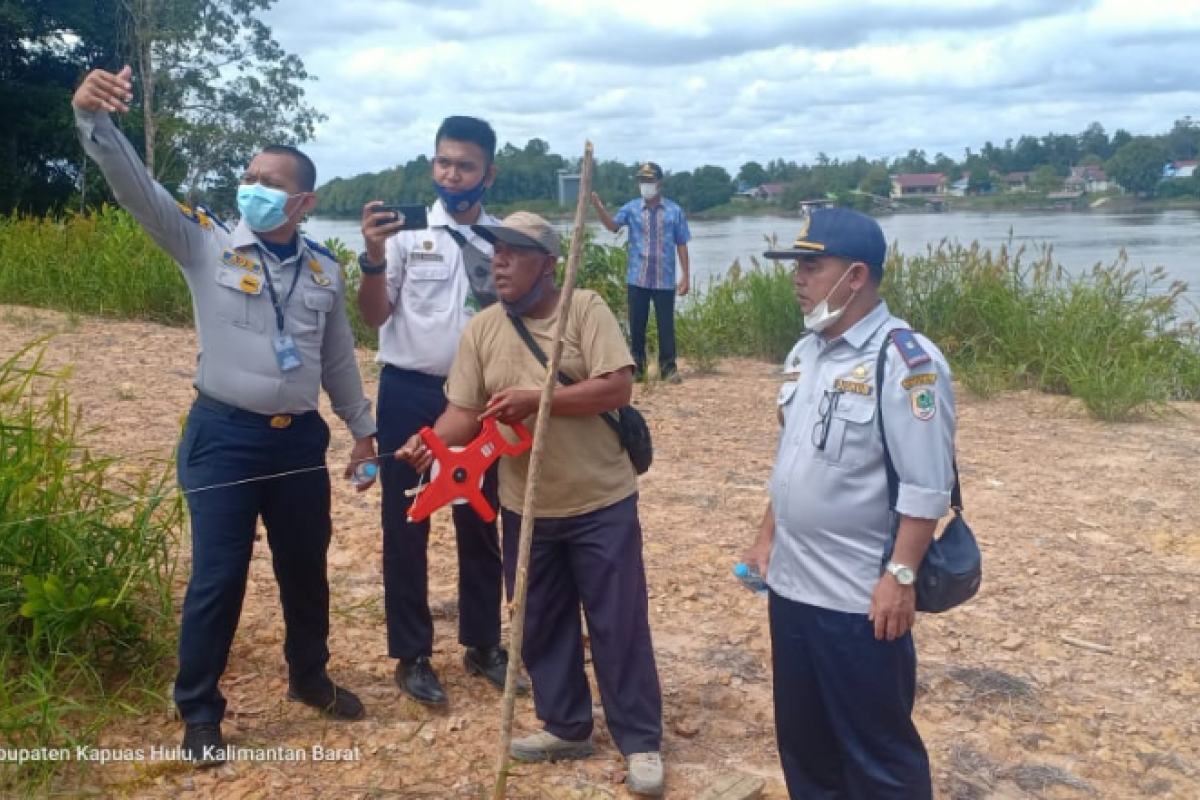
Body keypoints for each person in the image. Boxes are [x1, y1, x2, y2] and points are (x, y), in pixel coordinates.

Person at [72, 68, 378, 763]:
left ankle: (310, 679)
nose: (254, 187)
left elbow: (337, 364)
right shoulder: (204, 242)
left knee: (306, 569)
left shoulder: (326, 271)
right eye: (249, 175)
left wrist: (363, 429)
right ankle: (201, 711)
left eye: (270, 180)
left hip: (299, 444)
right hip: (224, 439)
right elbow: (137, 192)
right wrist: (95, 122)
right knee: (219, 574)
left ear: (302, 200)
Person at [395, 212, 665, 797]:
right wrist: (432, 444)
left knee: (619, 623)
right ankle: (565, 724)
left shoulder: (585, 309)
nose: (500, 261)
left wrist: (536, 398)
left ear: (548, 265)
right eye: (496, 251)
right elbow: (464, 413)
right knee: (540, 620)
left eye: (516, 253)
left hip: (600, 498)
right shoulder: (483, 329)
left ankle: (640, 740)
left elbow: (617, 386)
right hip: (524, 504)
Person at [743, 208, 956, 799]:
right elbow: (792, 457)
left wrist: (901, 576)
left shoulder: (906, 362)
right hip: (791, 589)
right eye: (796, 266)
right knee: (805, 746)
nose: (797, 278)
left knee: (877, 753)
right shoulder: (806, 352)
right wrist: (767, 537)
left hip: (858, 600)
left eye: (811, 265)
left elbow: (926, 486)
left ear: (856, 275)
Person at [357, 116, 520, 706]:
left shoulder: (506, 242)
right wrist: (374, 255)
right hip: (409, 392)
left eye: (466, 166)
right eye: (444, 163)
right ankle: (413, 654)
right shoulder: (404, 234)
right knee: (406, 525)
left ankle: (483, 644)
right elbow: (374, 316)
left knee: (482, 523)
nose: (453, 175)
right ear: (433, 165)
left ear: (489, 173)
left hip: (482, 402)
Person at [590, 162, 691, 383]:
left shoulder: (674, 211)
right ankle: (639, 368)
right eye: (642, 181)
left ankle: (669, 368)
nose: (645, 185)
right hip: (638, 277)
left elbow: (682, 243)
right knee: (637, 325)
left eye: (649, 181)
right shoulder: (631, 208)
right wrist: (599, 208)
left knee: (666, 325)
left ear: (659, 183)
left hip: (664, 278)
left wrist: (686, 276)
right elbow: (612, 226)